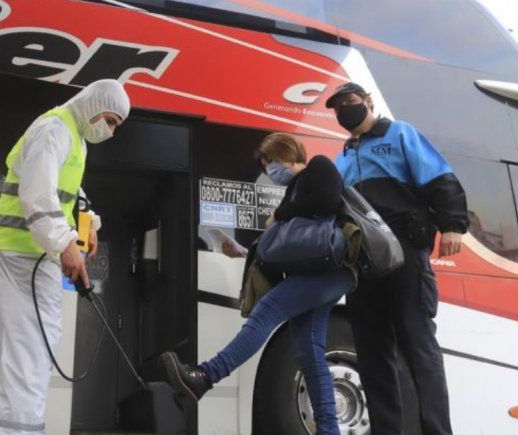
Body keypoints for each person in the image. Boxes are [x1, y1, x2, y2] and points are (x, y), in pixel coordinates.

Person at [161, 133, 355, 435]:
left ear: (287, 153)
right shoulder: (293, 191)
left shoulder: (318, 167)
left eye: (270, 162)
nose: (269, 170)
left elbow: (329, 199)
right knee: (309, 352)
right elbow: (294, 246)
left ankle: (204, 376)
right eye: (265, 166)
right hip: (318, 272)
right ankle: (328, 429)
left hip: (331, 269)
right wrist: (241, 251)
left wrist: (280, 214)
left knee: (267, 310)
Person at [0, 79, 130, 435]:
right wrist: (65, 242)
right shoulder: (54, 128)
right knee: (31, 354)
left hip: (31, 253)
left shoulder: (72, 136)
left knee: (26, 352)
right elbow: (38, 193)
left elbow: (66, 190)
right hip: (23, 253)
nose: (110, 132)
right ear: (94, 103)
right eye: (110, 120)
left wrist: (89, 223)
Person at [326, 82, 468, 435]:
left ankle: (437, 430)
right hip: (363, 264)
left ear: (368, 101)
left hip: (405, 253)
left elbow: (439, 176)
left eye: (351, 100)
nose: (345, 108)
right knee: (372, 355)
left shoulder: (401, 134)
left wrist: (453, 225)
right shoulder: (341, 157)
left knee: (419, 347)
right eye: (338, 105)